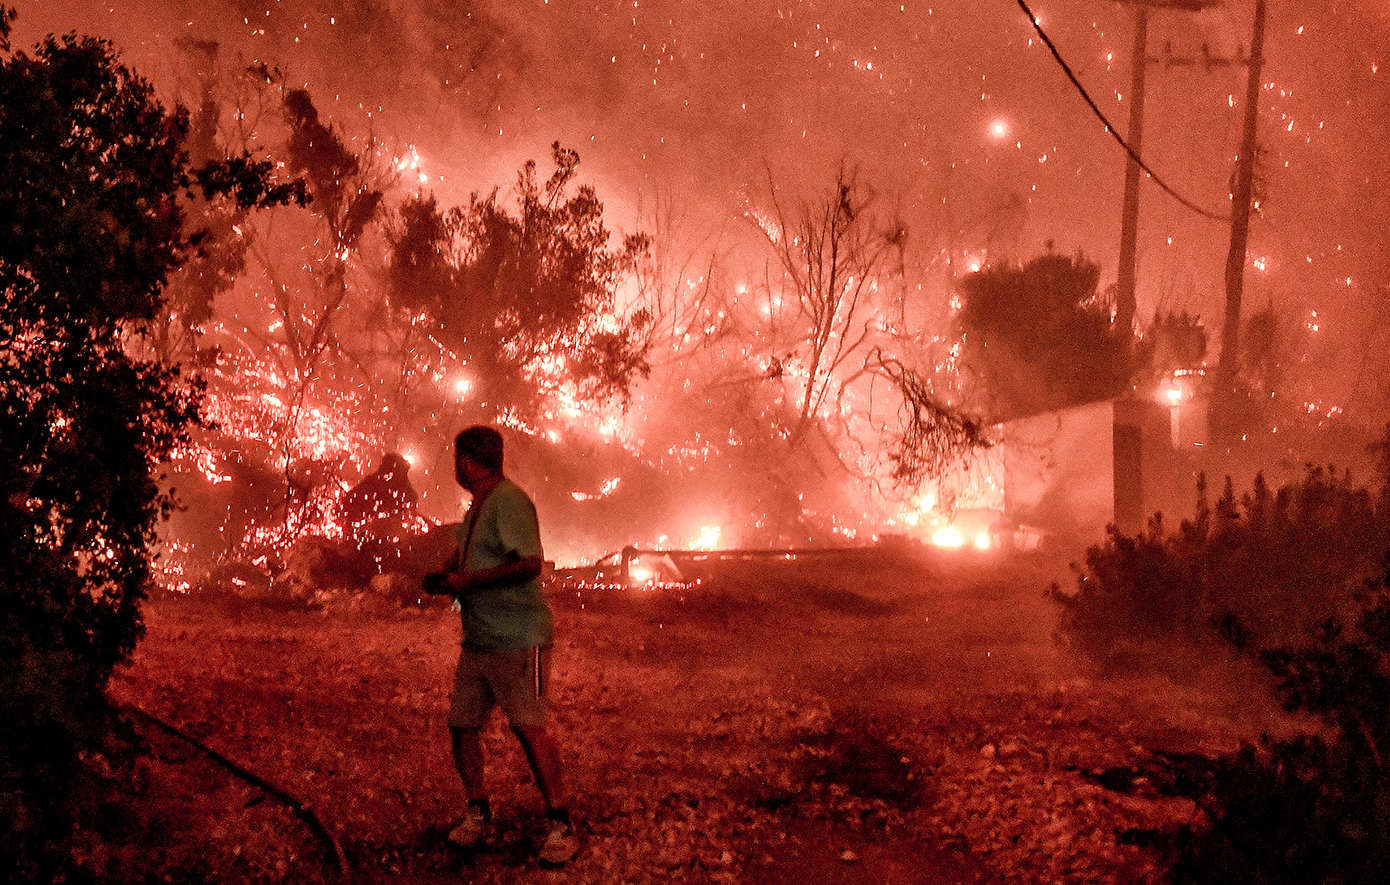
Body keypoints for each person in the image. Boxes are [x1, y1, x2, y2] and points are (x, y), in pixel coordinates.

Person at [423, 426, 578, 867]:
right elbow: (468, 554)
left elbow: (530, 563)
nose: (456, 466)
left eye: (459, 457)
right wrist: (446, 574)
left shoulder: (510, 501)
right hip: (479, 641)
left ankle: (562, 823)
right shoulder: (479, 507)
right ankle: (478, 811)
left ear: (469, 462)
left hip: (518, 638)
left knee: (529, 728)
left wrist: (468, 581)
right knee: (462, 725)